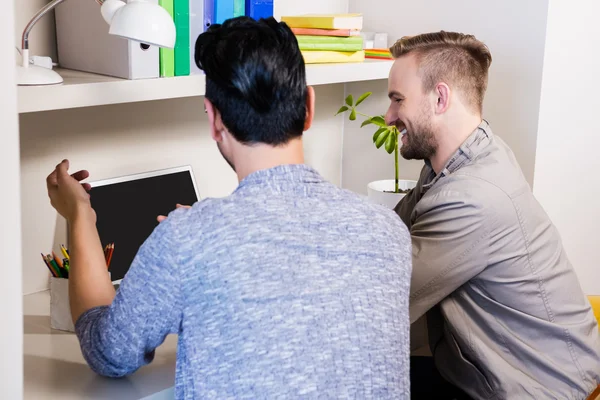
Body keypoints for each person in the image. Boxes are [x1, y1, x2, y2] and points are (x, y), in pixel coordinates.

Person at [45, 17, 413, 399]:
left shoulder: (186, 240)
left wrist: (80, 215)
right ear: (308, 107)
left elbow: (107, 352)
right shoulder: (388, 230)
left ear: (214, 118)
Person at [386, 31, 600, 399]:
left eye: (397, 100)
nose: (388, 116)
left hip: (541, 385)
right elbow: (391, 228)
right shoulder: (462, 156)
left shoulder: (473, 195)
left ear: (440, 98)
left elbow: (387, 298)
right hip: (487, 365)